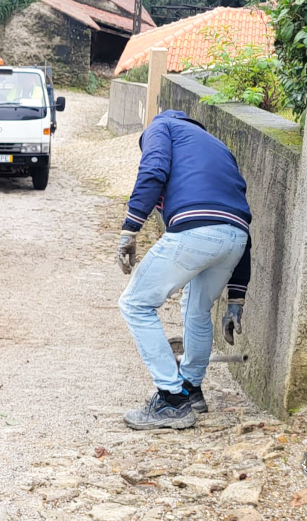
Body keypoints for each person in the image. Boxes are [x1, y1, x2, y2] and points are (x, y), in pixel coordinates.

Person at [115, 110, 252, 430]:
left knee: (135, 303)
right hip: (236, 238)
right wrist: (236, 300)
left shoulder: (161, 126)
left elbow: (153, 170)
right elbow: (239, 218)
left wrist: (130, 229)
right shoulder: (218, 147)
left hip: (197, 230)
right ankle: (191, 389)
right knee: (197, 308)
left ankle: (171, 400)